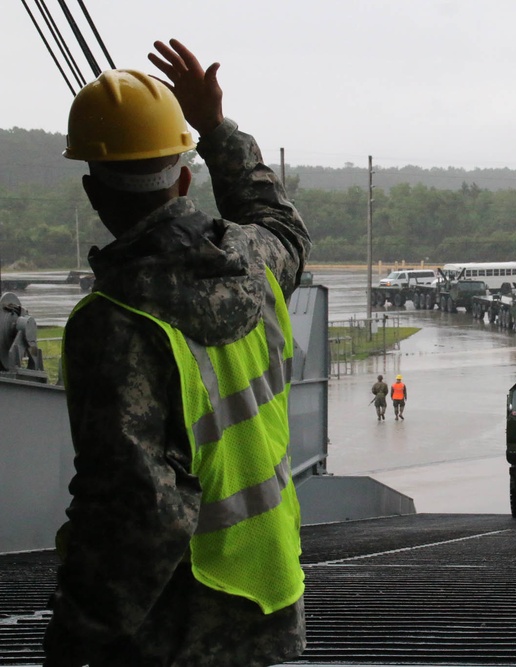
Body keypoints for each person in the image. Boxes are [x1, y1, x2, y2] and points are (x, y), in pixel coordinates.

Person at [44, 39, 311, 667]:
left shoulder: (112, 322)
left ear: (93, 191)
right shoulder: (254, 260)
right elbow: (283, 223)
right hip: (272, 595)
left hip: (175, 629)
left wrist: (75, 632)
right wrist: (215, 125)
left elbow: (140, 508)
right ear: (185, 177)